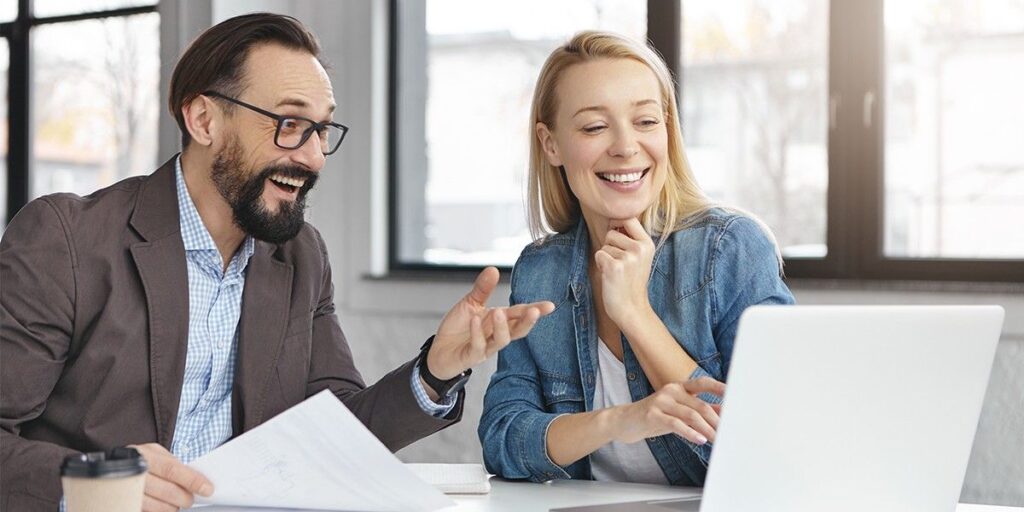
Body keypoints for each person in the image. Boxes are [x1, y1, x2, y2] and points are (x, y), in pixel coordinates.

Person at [0, 13, 554, 512]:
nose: (313, 156)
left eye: (321, 130)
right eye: (289, 123)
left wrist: (434, 369)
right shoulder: (67, 240)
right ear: (203, 120)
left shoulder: (301, 254)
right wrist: (95, 484)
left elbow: (336, 428)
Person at [478, 31, 795, 487]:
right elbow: (503, 439)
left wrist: (635, 314)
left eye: (646, 121)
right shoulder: (540, 270)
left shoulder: (729, 249)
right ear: (551, 145)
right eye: (594, 127)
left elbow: (771, 444)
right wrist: (618, 421)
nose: (626, 147)